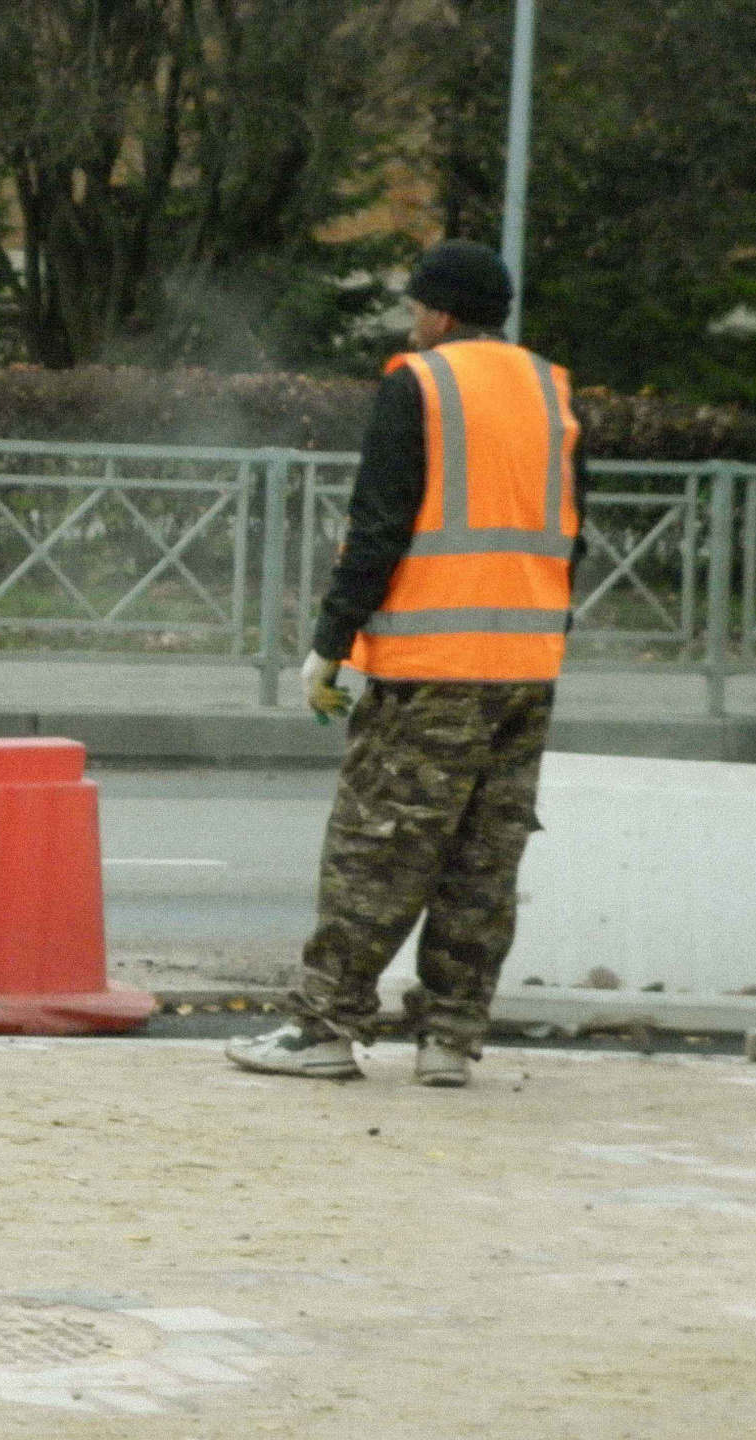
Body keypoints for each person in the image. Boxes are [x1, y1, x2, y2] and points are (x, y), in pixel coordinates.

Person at [226, 239, 589, 1088]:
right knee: (481, 861)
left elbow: (380, 525)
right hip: (528, 667)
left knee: (377, 850)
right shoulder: (553, 389)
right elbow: (577, 531)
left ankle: (324, 1028)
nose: (413, 322)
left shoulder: (421, 384)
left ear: (442, 313)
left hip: (433, 665)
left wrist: (331, 643)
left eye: (418, 307)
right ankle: (450, 1040)